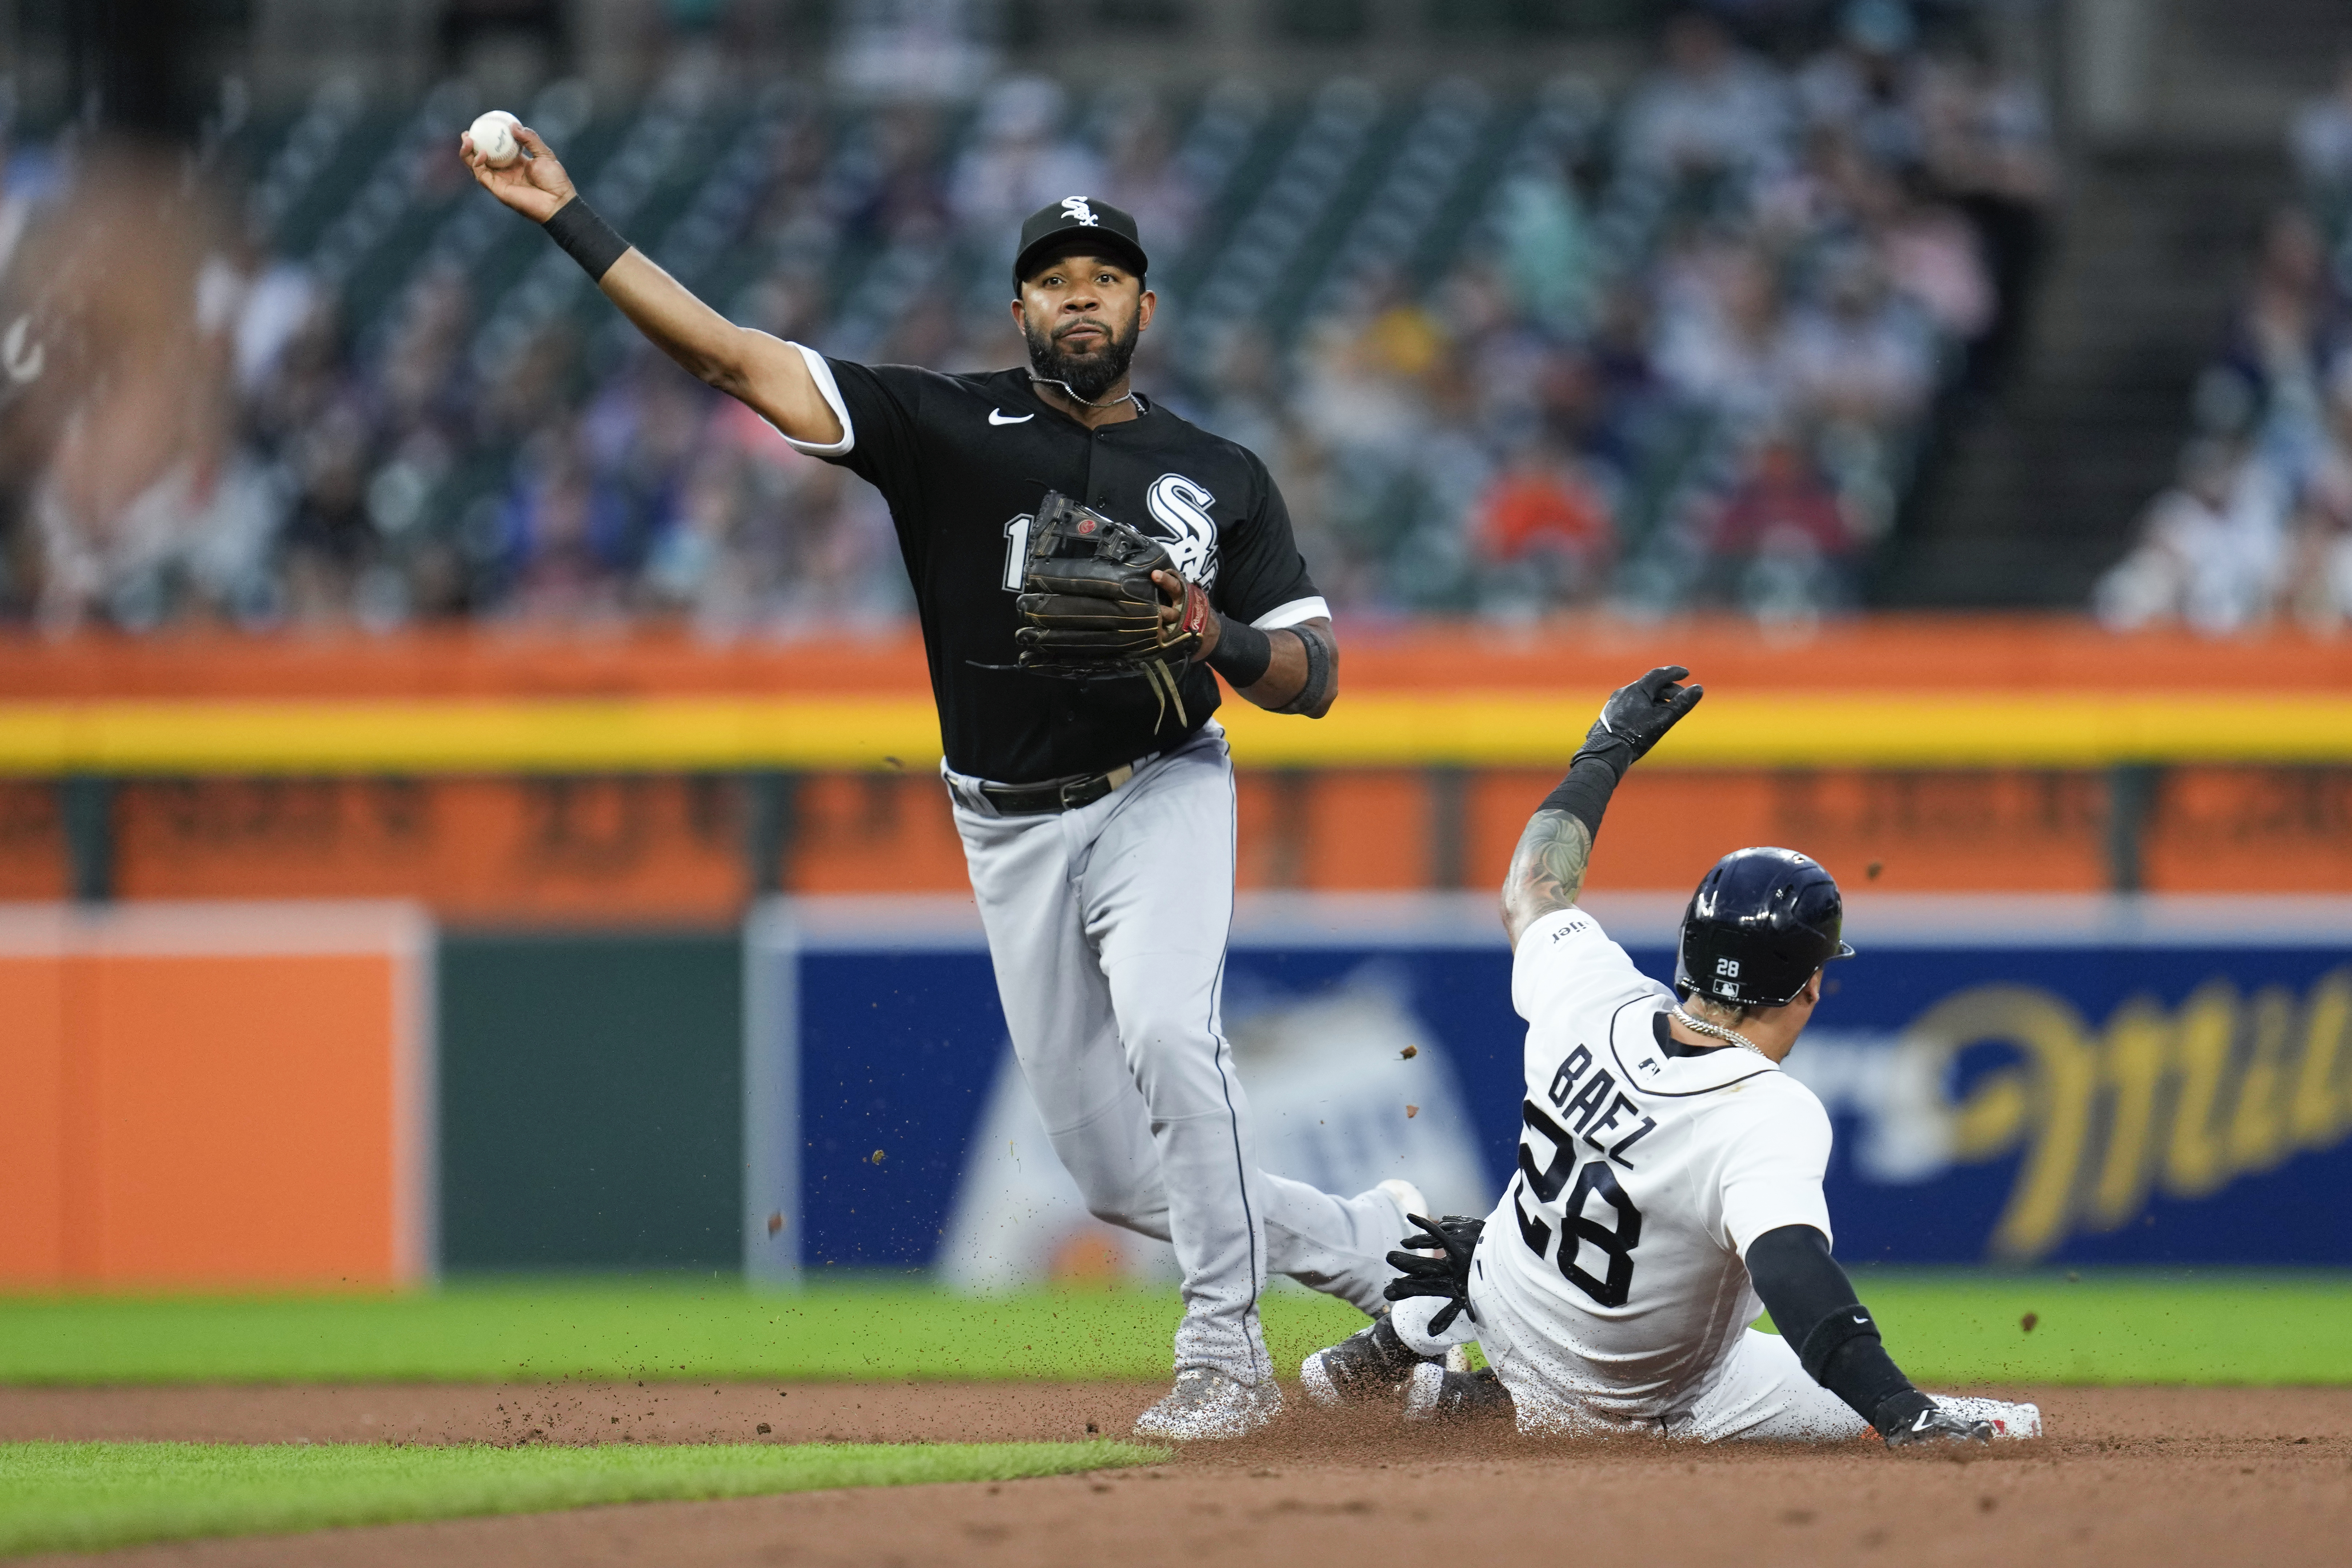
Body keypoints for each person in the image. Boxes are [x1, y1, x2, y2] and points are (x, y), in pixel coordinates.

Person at [462, 122, 1421, 1441]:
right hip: (1009, 824)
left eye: (1106, 274)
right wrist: (570, 217)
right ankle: (1392, 1251)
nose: (1081, 293)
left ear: (1148, 304)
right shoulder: (942, 424)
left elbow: (1314, 675)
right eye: (1055, 276)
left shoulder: (1222, 474)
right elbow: (726, 355)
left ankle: (1222, 1355)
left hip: (1164, 783)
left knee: (1166, 1027)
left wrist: (1216, 638)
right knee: (1116, 1176)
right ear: (1018, 304)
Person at [1299, 666, 2042, 1447]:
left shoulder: (1590, 994)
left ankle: (1429, 1346)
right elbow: (1792, 1273)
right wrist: (1900, 1413)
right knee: (2006, 1426)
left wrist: (1604, 749)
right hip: (1628, 1406)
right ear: (1810, 986)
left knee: (1508, 1237)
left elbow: (1533, 886)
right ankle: (1464, 1372)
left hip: (1509, 1304)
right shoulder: (1766, 1112)